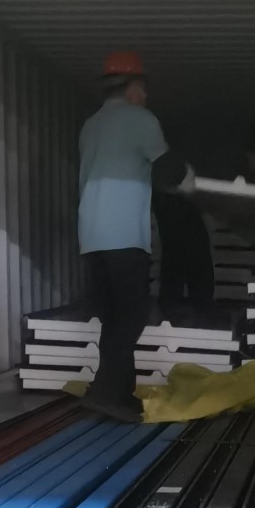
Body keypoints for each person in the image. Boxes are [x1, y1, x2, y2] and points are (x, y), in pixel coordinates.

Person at [75, 50, 168, 423]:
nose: (146, 95)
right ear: (130, 87)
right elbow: (167, 168)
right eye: (143, 88)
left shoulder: (91, 125)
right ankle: (105, 392)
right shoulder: (140, 119)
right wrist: (192, 181)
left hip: (92, 236)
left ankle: (121, 394)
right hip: (124, 234)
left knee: (113, 318)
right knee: (131, 318)